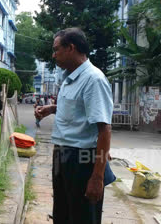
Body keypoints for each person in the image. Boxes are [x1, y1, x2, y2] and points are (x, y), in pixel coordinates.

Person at [34, 28, 114, 224]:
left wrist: (97, 177)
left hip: (82, 160)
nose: (53, 55)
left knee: (83, 217)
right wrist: (53, 108)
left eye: (56, 50)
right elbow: (78, 108)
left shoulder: (93, 80)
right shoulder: (69, 77)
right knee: (62, 213)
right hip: (62, 156)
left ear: (71, 48)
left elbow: (104, 130)